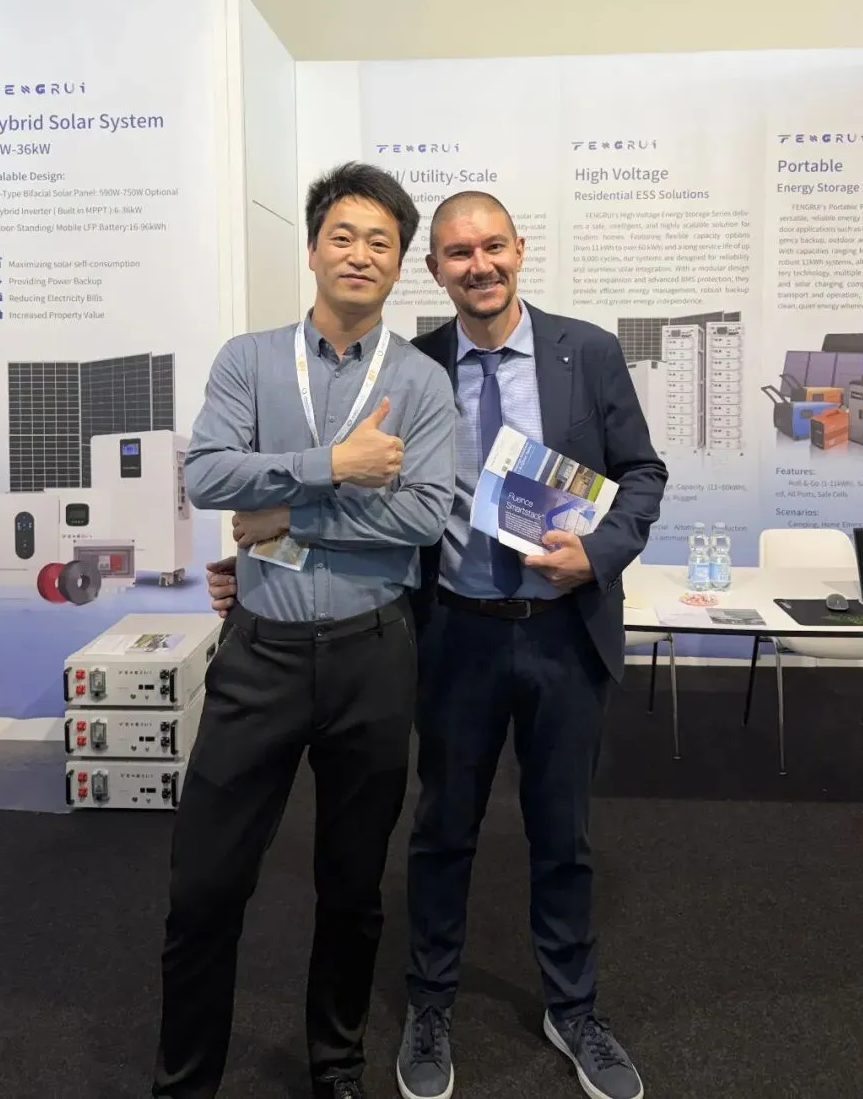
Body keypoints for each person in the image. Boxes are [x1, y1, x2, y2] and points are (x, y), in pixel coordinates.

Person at [209, 190, 668, 1099]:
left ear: (520, 248)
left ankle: (573, 1008)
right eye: (459, 253)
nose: (479, 265)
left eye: (493, 246)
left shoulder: (587, 352)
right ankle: (430, 1003)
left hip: (563, 632)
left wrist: (600, 552)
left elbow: (642, 473)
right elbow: (361, 499)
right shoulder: (412, 368)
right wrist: (263, 556)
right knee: (442, 829)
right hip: (453, 633)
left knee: (563, 834)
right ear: (434, 270)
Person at [152, 162, 457, 1099]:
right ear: (315, 248)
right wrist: (336, 464)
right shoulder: (248, 360)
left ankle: (336, 1066)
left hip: (374, 654)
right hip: (262, 655)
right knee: (205, 887)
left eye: (381, 242)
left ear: (399, 263)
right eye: (344, 235)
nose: (360, 254)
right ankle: (184, 1082)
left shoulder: (420, 379)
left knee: (353, 886)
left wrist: (287, 510)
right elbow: (208, 476)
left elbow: (423, 517)